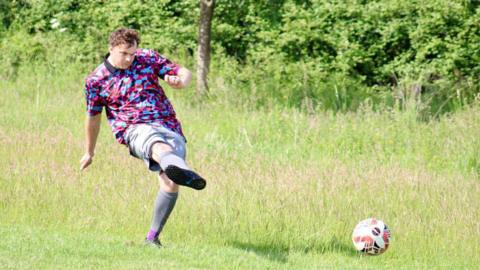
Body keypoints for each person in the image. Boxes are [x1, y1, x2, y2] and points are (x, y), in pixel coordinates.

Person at [79, 27, 206, 247]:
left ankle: (152, 237)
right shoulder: (96, 80)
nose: (129, 58)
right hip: (133, 128)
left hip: (168, 123)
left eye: (132, 53)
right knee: (156, 144)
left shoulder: (146, 57)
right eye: (123, 53)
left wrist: (182, 81)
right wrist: (89, 151)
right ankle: (178, 168)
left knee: (169, 182)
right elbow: (93, 119)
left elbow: (181, 72)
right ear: (111, 48)